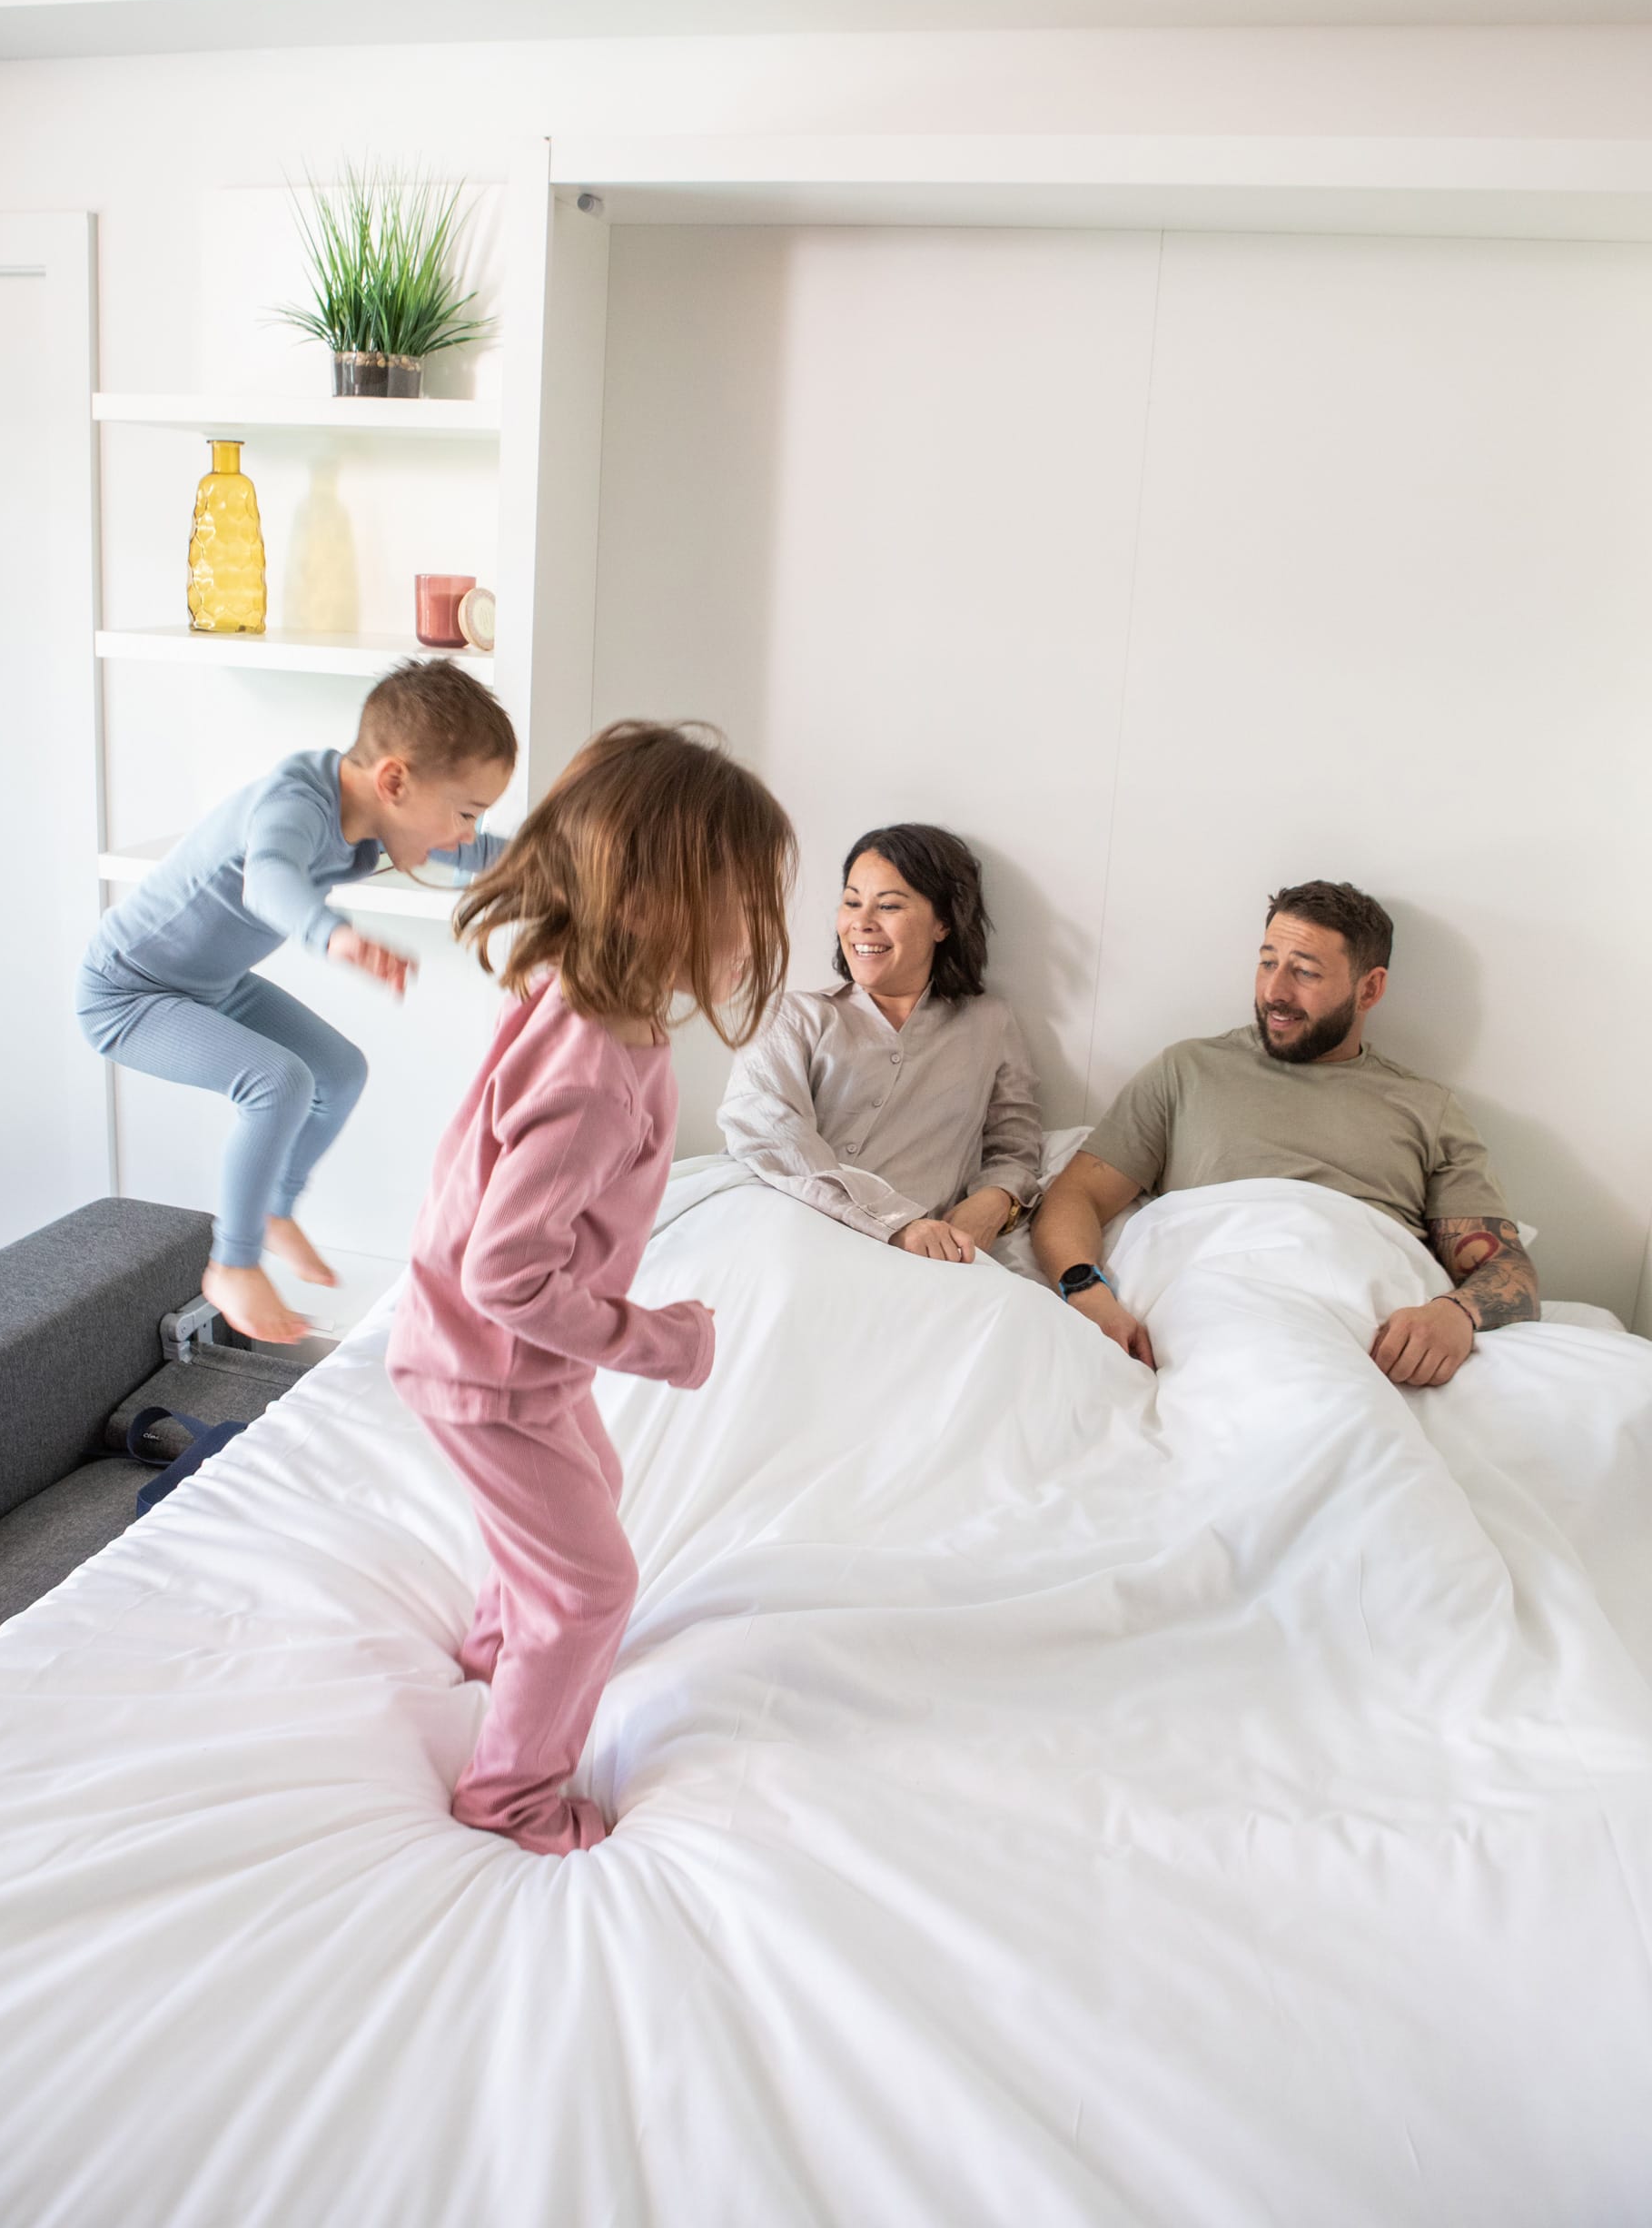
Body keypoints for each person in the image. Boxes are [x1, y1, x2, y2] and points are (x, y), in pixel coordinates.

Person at [385, 720, 796, 1853]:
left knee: (591, 1480)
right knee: (592, 1587)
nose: (758, 927)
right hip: (487, 1361)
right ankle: (509, 1795)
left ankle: (494, 1648)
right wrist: (654, 1339)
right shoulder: (596, 1076)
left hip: (500, 1354)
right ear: (660, 902)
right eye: (744, 897)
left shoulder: (591, 1010)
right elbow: (508, 1272)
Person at [77, 659, 517, 1348]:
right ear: (395, 781)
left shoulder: (378, 819)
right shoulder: (295, 801)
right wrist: (334, 936)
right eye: (464, 812)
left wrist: (571, 865)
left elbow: (477, 857)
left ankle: (276, 1209)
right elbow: (269, 882)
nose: (466, 833)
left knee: (340, 1071)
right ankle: (234, 1262)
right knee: (278, 1082)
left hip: (213, 985)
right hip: (129, 993)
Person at [1033, 878, 1538, 1387]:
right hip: (1215, 1304)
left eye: (1305, 972)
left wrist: (1455, 1314)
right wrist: (1088, 1292)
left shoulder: (1427, 1108)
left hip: (1363, 1333)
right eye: (1268, 961)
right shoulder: (1188, 1070)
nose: (1275, 991)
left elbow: (1507, 1270)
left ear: (1370, 988)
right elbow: (1075, 1195)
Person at [718, 822, 1042, 1263]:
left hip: (924, 1261)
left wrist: (994, 1201)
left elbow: (1016, 1147)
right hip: (783, 1235)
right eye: (851, 902)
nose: (861, 923)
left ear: (943, 922)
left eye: (888, 906)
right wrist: (897, 1223)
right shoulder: (790, 1017)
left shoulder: (990, 1024)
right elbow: (768, 1133)